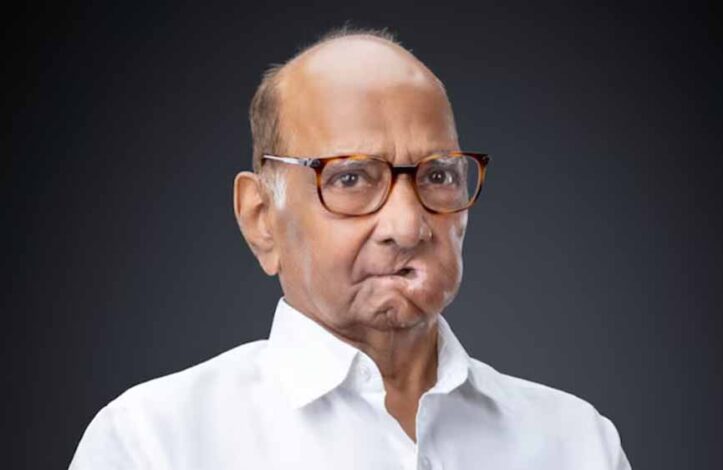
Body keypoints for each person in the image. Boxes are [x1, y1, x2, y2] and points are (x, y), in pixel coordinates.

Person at [69, 26, 631, 469]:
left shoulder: (577, 443)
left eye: (437, 176)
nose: (407, 226)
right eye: (351, 178)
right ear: (261, 218)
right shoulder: (154, 444)